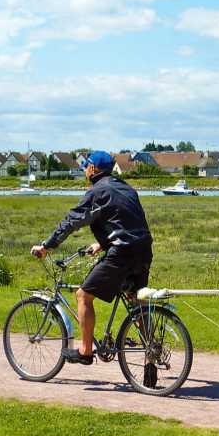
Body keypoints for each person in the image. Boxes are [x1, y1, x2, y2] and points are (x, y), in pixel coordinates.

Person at [30, 150, 153, 365]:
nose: (85, 169)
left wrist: (46, 247)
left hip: (122, 253)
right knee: (136, 301)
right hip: (143, 250)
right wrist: (103, 244)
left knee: (83, 296)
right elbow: (126, 222)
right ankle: (152, 349)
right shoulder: (127, 188)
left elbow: (71, 222)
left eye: (86, 166)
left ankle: (85, 351)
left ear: (93, 169)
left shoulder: (97, 191)